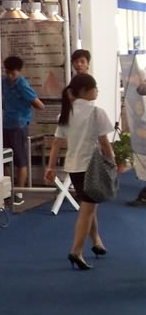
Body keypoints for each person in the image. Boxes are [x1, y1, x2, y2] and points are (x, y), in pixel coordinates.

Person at [45, 74, 127, 270]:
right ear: (84, 91)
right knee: (87, 210)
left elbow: (56, 143)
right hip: (92, 166)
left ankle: (97, 241)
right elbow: (105, 143)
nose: (97, 90)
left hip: (74, 167)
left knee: (89, 206)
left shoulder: (65, 113)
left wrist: (50, 166)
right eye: (95, 87)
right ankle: (76, 251)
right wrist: (113, 163)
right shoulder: (96, 112)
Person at [2, 56, 44, 204]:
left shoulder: (22, 85)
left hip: (19, 126)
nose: (9, 76)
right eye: (7, 72)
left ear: (20, 71)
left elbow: (40, 105)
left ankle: (19, 193)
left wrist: (25, 103)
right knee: (4, 159)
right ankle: (8, 190)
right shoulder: (3, 82)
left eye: (12, 73)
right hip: (6, 124)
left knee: (21, 161)